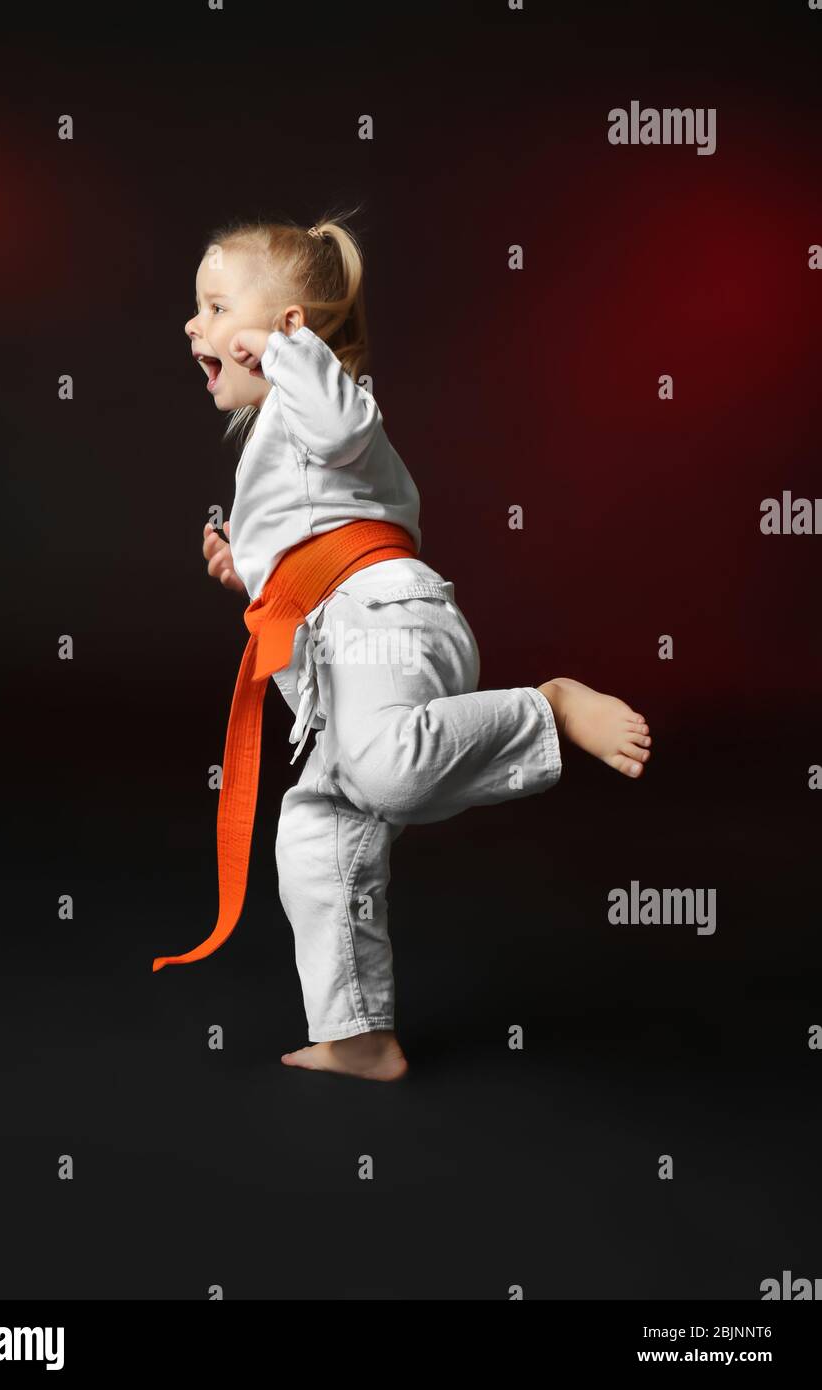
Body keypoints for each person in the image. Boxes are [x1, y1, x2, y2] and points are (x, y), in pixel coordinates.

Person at [177, 211, 652, 1082]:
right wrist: (250, 575)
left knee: (388, 768)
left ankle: (544, 705)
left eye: (214, 307)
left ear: (290, 331)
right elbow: (309, 537)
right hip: (333, 656)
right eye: (196, 310)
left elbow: (341, 430)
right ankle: (358, 1032)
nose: (193, 325)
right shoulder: (273, 437)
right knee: (317, 831)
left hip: (387, 625)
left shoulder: (314, 394)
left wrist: (281, 353)